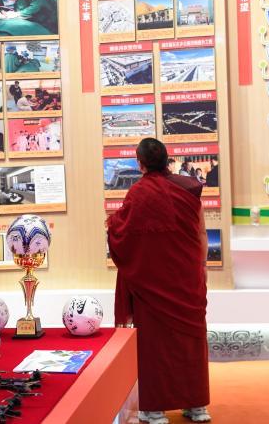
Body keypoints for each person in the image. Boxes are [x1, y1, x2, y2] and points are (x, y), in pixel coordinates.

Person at [107, 138, 210, 424]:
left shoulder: (138, 193)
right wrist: (201, 267)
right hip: (186, 278)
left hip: (151, 282)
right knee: (190, 342)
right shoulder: (189, 188)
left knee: (155, 346)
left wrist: (113, 225)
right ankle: (196, 405)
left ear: (140, 164)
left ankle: (154, 410)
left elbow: (120, 233)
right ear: (167, 160)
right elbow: (201, 232)